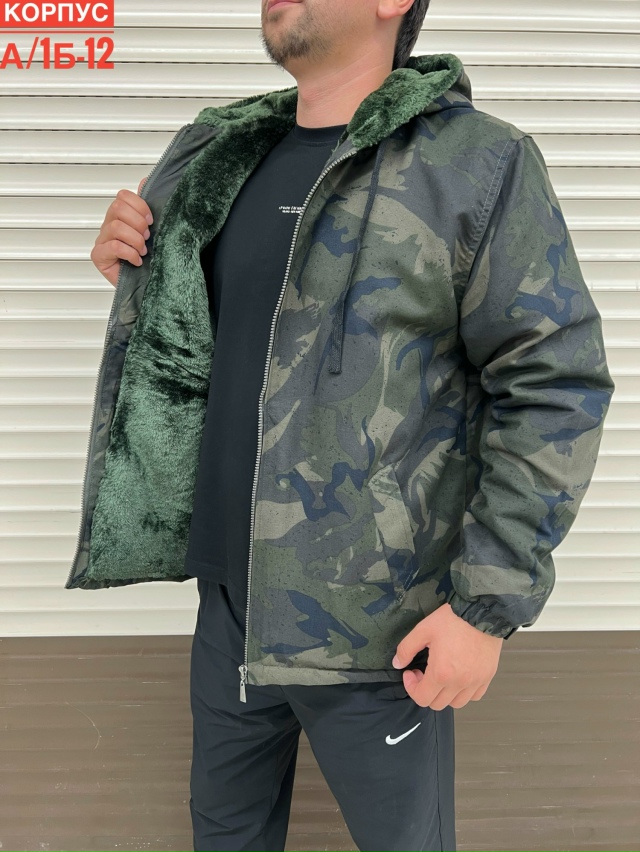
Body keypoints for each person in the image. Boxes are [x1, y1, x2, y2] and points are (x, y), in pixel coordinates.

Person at [74, 1, 615, 849]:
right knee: (224, 836)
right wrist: (143, 278)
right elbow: (225, 352)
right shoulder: (222, 157)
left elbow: (556, 384)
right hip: (229, 609)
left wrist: (485, 609)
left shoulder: (475, 165)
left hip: (379, 633)